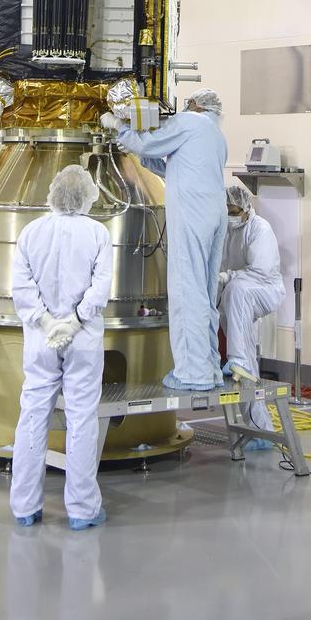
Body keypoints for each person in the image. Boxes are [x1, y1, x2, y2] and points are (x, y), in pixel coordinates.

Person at [101, 88, 228, 392]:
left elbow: (151, 143)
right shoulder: (215, 134)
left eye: (189, 102)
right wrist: (137, 149)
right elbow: (168, 163)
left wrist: (120, 126)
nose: (185, 105)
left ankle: (192, 373)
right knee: (205, 292)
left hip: (194, 213)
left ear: (197, 105)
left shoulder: (189, 121)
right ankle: (209, 368)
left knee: (187, 289)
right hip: (214, 212)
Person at [10, 164, 112, 530]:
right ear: (88, 195)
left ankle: (25, 506)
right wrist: (74, 322)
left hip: (41, 340)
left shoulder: (31, 232)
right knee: (82, 419)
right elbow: (100, 288)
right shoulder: (98, 234)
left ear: (53, 193)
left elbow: (21, 289)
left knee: (33, 416)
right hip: (82, 340)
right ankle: (82, 510)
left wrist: (48, 323)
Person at [218, 182, 286, 447]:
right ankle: (258, 427)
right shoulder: (226, 230)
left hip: (264, 289)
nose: (230, 215)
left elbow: (259, 271)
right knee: (244, 341)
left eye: (233, 210)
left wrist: (226, 276)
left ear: (245, 208)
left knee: (236, 290)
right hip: (237, 295)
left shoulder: (261, 229)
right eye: (226, 210)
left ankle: (238, 360)